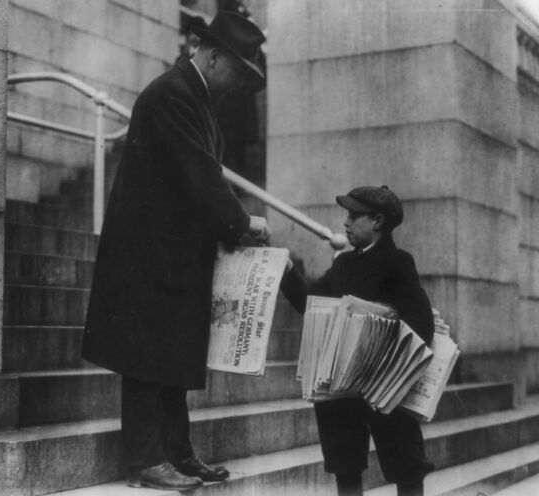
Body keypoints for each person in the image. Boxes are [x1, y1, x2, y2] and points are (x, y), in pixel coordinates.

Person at [81, 11, 269, 492]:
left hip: (170, 254)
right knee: (148, 359)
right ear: (211, 55)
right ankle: (146, 460)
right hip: (149, 254)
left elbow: (198, 176)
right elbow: (201, 176)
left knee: (170, 360)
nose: (241, 85)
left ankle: (178, 455)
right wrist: (243, 223)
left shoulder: (191, 96)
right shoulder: (174, 94)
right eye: (238, 72)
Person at [280, 185, 435, 496]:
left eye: (354, 215)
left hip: (384, 382)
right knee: (344, 462)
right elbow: (309, 302)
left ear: (377, 221)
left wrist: (383, 323)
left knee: (405, 462)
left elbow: (422, 324)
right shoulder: (344, 264)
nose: (346, 222)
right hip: (342, 383)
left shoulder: (398, 262)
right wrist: (283, 269)